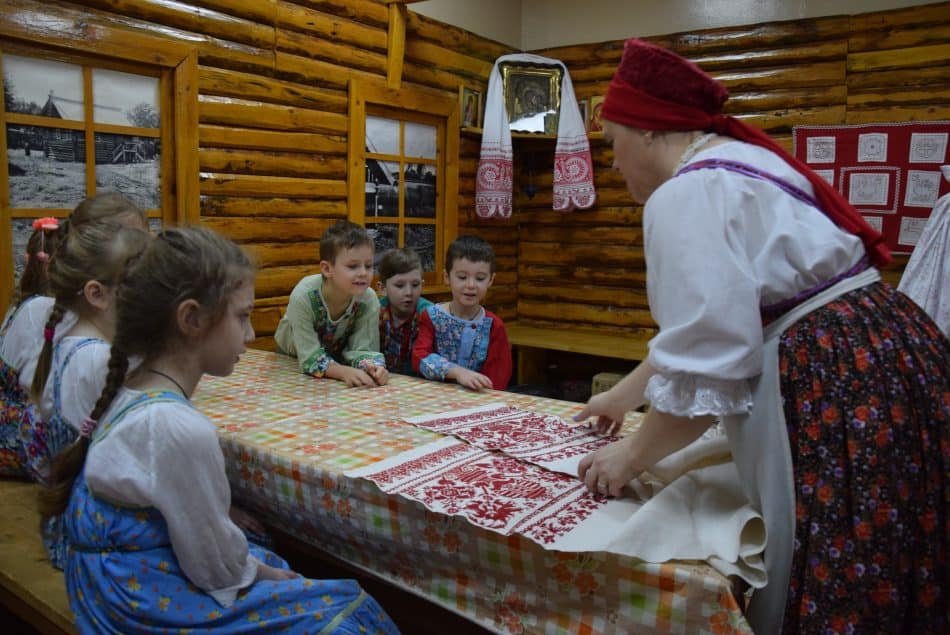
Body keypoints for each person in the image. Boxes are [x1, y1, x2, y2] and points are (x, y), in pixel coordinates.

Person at [573, 39, 948, 635]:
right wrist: (625, 397)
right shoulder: (743, 163)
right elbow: (708, 327)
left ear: (648, 131)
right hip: (888, 347)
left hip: (834, 379)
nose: (613, 163)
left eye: (614, 142)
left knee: (835, 539)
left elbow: (713, 366)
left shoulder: (684, 194)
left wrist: (633, 455)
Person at [40, 227, 401, 634]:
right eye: (243, 317)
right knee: (353, 613)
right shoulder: (179, 427)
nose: (250, 335)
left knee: (272, 552)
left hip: (104, 579)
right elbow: (216, 567)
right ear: (191, 318)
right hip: (134, 598)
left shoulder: (133, 391)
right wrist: (273, 577)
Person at [29, 220, 150, 568]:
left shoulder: (70, 344)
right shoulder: (98, 360)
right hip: (93, 541)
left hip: (69, 527)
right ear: (96, 294)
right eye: (141, 286)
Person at [274, 220, 388, 387]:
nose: (364, 273)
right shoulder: (304, 296)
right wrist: (343, 372)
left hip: (334, 362)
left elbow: (363, 348)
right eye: (353, 266)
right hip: (291, 358)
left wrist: (373, 368)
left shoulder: (368, 299)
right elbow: (309, 358)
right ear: (327, 269)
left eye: (369, 266)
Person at [412, 235, 511, 390]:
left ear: (491, 280)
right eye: (462, 277)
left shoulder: (493, 326)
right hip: (432, 399)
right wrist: (457, 372)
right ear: (447, 277)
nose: (471, 285)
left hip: (479, 401)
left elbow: (498, 379)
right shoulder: (432, 316)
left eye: (480, 278)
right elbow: (419, 356)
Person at [377, 248, 433, 375]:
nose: (409, 292)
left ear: (422, 285)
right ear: (382, 288)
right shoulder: (375, 312)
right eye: (399, 285)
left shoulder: (430, 314)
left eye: (415, 285)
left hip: (421, 384)